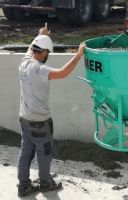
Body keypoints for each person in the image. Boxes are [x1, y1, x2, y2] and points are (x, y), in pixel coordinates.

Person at [17, 24, 85, 197]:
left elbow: (30, 48)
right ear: (45, 52)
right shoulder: (39, 69)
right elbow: (62, 73)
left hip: (25, 119)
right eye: (48, 52)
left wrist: (39, 35)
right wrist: (78, 55)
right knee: (44, 153)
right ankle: (46, 183)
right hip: (40, 122)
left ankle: (23, 185)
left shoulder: (24, 62)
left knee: (25, 152)